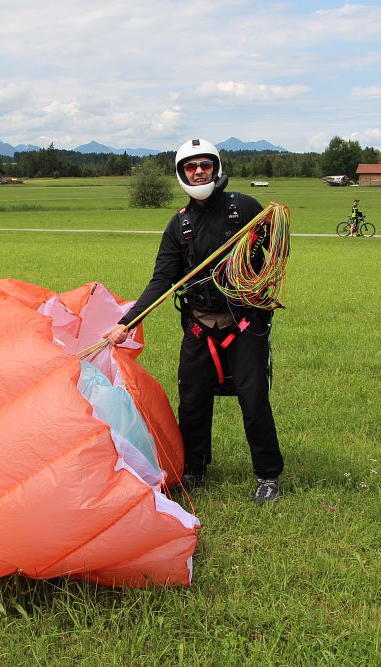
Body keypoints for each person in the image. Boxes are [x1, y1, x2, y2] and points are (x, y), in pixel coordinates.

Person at [103, 139, 284, 503]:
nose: (199, 171)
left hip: (245, 323)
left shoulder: (245, 209)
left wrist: (261, 251)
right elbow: (162, 279)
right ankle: (195, 470)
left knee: (253, 400)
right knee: (192, 401)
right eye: (191, 166)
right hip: (200, 326)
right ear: (182, 173)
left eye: (205, 164)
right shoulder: (180, 225)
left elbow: (273, 251)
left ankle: (268, 475)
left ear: (216, 168)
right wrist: (128, 321)